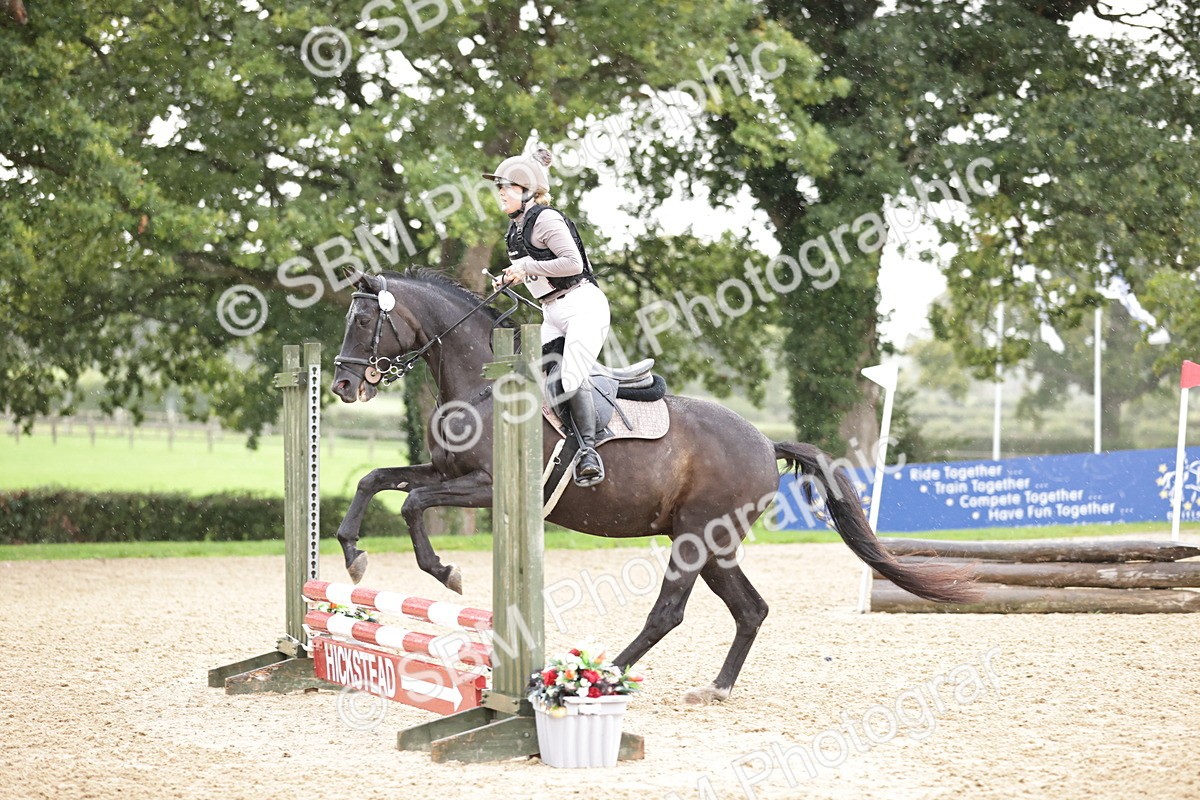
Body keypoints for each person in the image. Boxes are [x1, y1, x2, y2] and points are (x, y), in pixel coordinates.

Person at [483, 148, 610, 487]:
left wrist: (525, 267)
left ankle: (589, 452)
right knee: (534, 378)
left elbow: (573, 264)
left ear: (526, 191)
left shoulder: (546, 219)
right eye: (499, 188)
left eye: (506, 187)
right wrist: (509, 276)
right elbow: (537, 272)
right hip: (553, 312)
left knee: (569, 378)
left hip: (582, 306)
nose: (500, 194)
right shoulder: (516, 228)